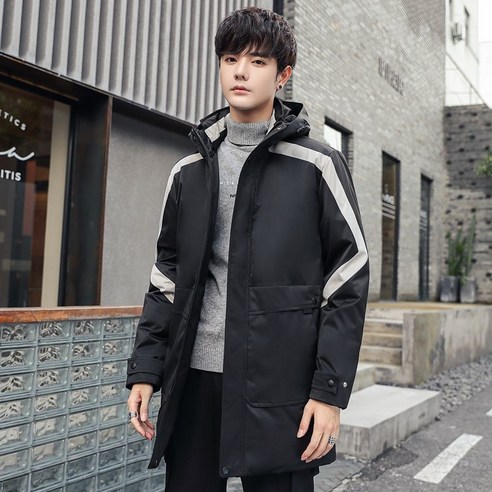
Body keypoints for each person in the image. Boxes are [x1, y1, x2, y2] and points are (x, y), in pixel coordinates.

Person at [126, 6, 369, 492]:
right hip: (195, 381)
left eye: (258, 61)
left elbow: (349, 279)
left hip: (280, 388)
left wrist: (329, 392)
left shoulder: (318, 165)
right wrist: (146, 369)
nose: (241, 71)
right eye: (231, 59)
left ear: (283, 76)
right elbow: (166, 278)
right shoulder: (189, 171)